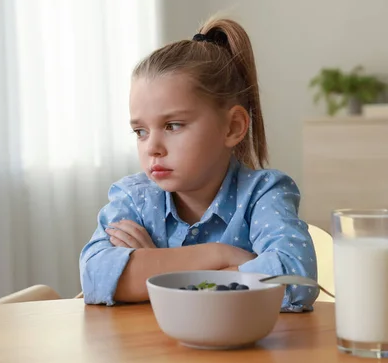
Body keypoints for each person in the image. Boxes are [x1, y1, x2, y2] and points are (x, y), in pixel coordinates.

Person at [79, 17, 318, 312]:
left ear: (232, 127)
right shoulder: (134, 198)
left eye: (173, 125)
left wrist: (158, 271)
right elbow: (96, 277)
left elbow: (294, 279)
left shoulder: (264, 194)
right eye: (140, 131)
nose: (152, 147)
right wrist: (220, 255)